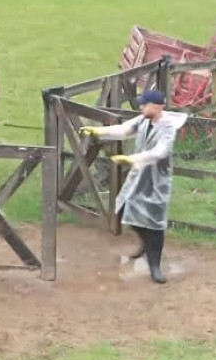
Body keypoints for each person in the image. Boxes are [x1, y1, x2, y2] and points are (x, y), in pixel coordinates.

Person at [79, 89, 188, 284]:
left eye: (144, 104)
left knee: (154, 224)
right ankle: (144, 244)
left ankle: (155, 265)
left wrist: (131, 159)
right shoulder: (143, 120)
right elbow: (124, 130)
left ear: (157, 106)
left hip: (156, 181)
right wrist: (99, 131)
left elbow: (160, 153)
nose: (141, 107)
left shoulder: (167, 128)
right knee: (129, 212)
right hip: (139, 176)